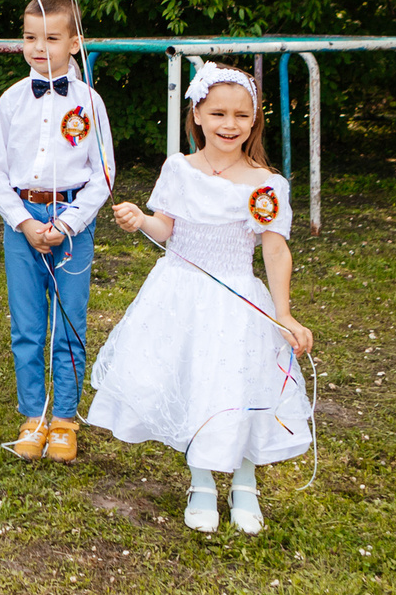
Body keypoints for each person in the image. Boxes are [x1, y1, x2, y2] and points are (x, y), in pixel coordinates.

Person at [87, 65, 313, 534]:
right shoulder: (179, 168)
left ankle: (246, 481)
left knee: (239, 386)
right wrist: (139, 220)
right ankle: (202, 482)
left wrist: (284, 312)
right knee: (194, 383)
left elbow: (274, 248)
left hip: (235, 297)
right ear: (197, 115)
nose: (229, 125)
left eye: (241, 116)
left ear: (254, 121)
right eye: (218, 113)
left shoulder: (265, 183)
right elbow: (166, 228)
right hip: (180, 293)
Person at [0, 0, 116, 462]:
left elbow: (104, 174)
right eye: (30, 37)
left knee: (69, 322)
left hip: (72, 222)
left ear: (75, 42)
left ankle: (64, 419)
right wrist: (22, 221)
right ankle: (32, 415)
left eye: (52, 38)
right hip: (23, 223)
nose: (40, 47)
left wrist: (71, 221)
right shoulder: (12, 100)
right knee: (28, 325)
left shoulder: (90, 102)